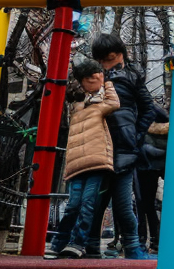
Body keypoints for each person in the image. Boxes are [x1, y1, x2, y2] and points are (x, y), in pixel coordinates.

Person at [80, 34, 154, 259]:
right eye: (101, 61)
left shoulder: (131, 76)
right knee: (95, 201)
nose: (106, 65)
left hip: (122, 147)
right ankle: (93, 245)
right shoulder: (93, 79)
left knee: (122, 202)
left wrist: (136, 135)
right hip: (99, 145)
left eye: (110, 58)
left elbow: (148, 108)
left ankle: (132, 246)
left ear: (121, 54)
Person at [46, 60, 119, 259]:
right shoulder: (76, 107)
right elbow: (68, 92)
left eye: (97, 75)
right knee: (72, 206)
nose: (95, 78)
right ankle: (58, 243)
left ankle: (77, 243)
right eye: (90, 77)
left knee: (87, 204)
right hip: (77, 163)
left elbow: (115, 103)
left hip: (96, 161)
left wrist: (108, 82)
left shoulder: (101, 106)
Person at [135, 103, 168, 253]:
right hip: (158, 164)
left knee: (144, 205)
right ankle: (156, 241)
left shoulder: (141, 112)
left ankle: (143, 240)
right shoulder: (162, 115)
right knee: (150, 205)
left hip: (145, 165)